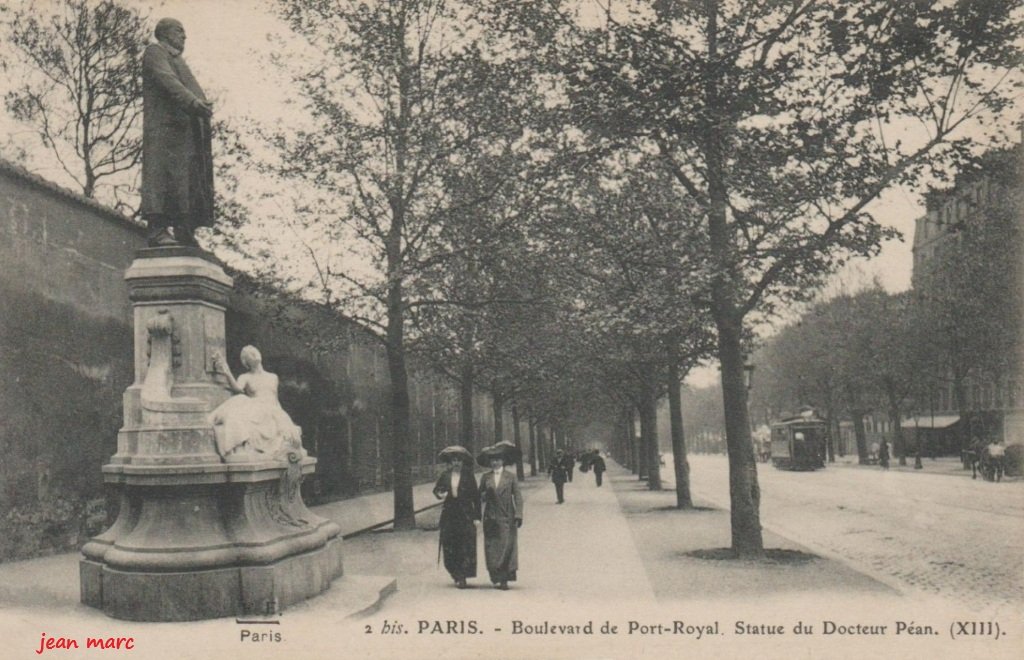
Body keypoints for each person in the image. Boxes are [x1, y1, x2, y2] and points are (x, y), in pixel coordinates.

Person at [141, 18, 215, 247]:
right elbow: (168, 81)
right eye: (179, 31)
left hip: (184, 134)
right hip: (165, 131)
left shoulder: (178, 59)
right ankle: (157, 229)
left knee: (186, 182)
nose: (184, 36)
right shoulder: (156, 52)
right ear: (164, 33)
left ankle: (184, 229)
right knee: (161, 178)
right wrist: (193, 103)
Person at [209, 346, 302, 461]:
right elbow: (238, 389)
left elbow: (275, 399)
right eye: (250, 355)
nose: (254, 355)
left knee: (287, 430)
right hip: (257, 407)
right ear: (247, 363)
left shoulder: (273, 377)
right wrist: (227, 372)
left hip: (272, 408)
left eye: (255, 352)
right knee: (240, 402)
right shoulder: (245, 377)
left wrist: (282, 416)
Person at [432, 447, 480, 589]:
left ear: (463, 462)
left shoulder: (468, 476)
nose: (457, 463)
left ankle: (463, 575)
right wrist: (440, 494)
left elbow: (476, 498)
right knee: (449, 544)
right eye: (454, 460)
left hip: (465, 514)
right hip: (449, 514)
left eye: (459, 460)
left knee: (465, 544)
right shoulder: (445, 475)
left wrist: (477, 517)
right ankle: (454, 572)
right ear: (450, 462)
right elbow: (436, 490)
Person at [478, 445, 523, 590]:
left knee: (506, 545)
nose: (495, 463)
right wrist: (486, 495)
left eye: (498, 459)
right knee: (492, 546)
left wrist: (518, 514)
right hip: (490, 516)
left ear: (503, 461)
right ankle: (495, 575)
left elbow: (517, 496)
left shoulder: (511, 477)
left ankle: (505, 578)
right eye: (492, 460)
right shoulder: (486, 477)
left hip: (506, 516)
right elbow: (479, 497)